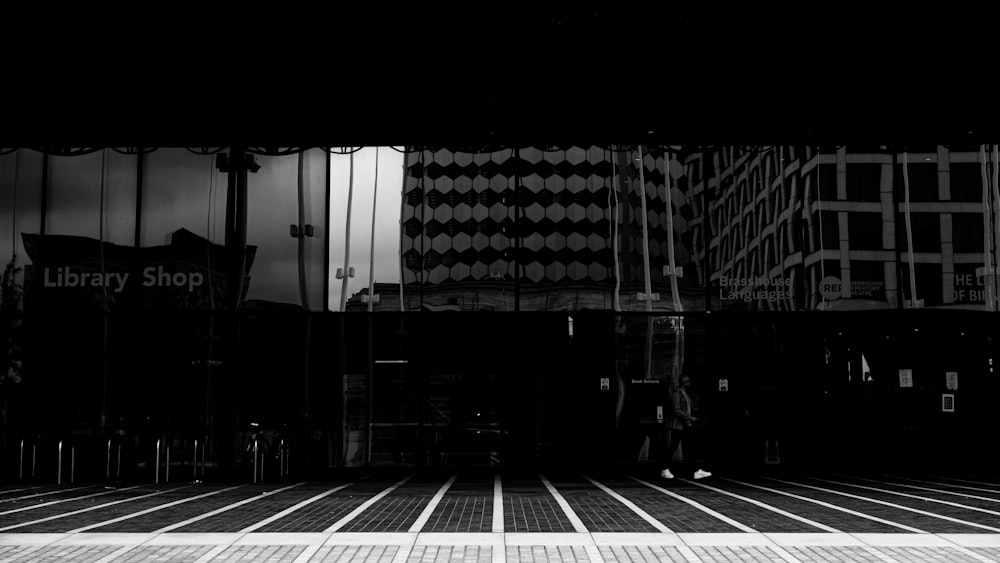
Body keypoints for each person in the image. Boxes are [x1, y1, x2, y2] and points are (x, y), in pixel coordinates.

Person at [661, 375, 712, 479]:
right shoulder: (677, 394)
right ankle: (665, 468)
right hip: (679, 426)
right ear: (683, 383)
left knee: (691, 446)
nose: (689, 383)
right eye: (687, 382)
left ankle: (696, 470)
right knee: (674, 447)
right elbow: (677, 410)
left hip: (685, 425)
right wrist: (689, 417)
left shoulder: (685, 394)